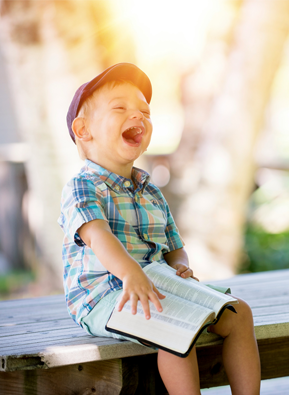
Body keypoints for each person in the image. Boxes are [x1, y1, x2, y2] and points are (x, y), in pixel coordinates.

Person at [58, 63, 261, 394]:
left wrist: (180, 264)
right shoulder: (83, 186)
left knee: (239, 313)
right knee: (176, 324)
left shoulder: (149, 189)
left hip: (154, 282)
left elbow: (172, 243)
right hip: (104, 296)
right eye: (120, 108)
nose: (138, 116)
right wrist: (130, 274)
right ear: (83, 130)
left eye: (144, 111)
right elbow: (98, 236)